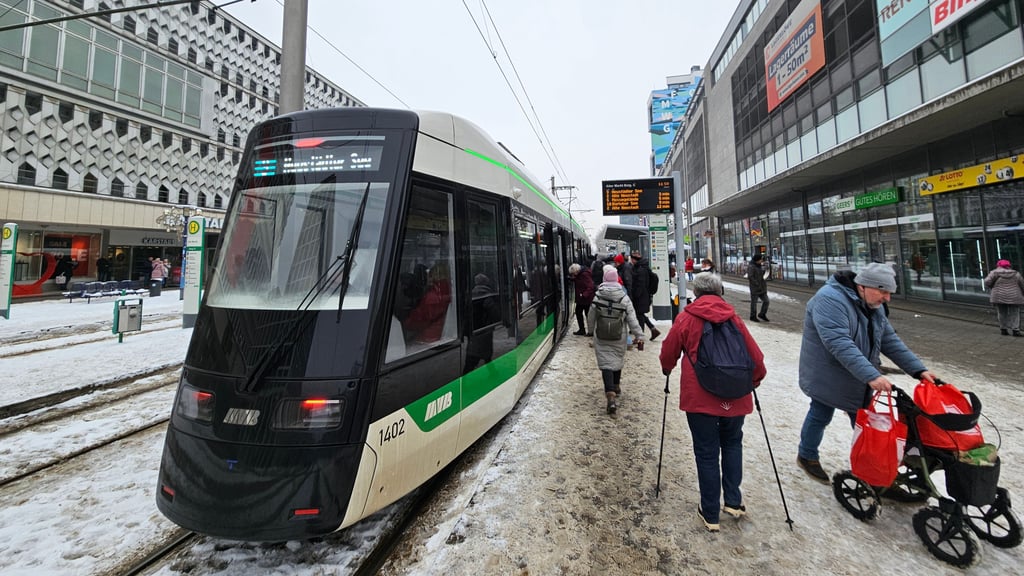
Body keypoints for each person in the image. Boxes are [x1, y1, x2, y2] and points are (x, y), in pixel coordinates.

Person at [796, 262, 938, 484]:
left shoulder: (872, 305)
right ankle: (807, 455)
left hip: (857, 373)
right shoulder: (830, 299)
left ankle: (874, 470)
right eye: (883, 291)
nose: (887, 298)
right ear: (863, 286)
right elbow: (838, 342)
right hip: (827, 372)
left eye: (889, 293)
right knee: (821, 412)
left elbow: (889, 340)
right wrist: (871, 375)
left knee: (866, 421)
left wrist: (918, 369)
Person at [659, 272, 766, 532]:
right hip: (735, 395)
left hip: (701, 399)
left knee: (706, 453)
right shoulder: (734, 318)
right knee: (732, 444)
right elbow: (756, 357)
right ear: (720, 292)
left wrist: (667, 368)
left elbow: (668, 352)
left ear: (696, 293)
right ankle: (733, 501)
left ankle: (710, 513)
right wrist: (754, 379)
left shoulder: (687, 317)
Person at [588, 265, 644, 415]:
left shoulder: (598, 296)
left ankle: (610, 395)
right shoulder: (623, 298)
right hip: (619, 336)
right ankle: (616, 385)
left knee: (606, 363)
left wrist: (589, 330)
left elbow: (591, 316)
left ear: (604, 279)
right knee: (617, 359)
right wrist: (639, 335)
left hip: (601, 336)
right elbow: (632, 319)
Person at [405, 261, 452, 344]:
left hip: (428, 338)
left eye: (430, 275)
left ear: (435, 276)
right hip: (442, 334)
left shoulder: (431, 297)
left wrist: (405, 322)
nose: (428, 279)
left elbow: (417, 320)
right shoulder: (450, 291)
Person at [984, 259, 1024, 337]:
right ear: (1009, 266)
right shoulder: (1016, 274)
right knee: (1015, 313)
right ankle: (1015, 330)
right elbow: (1022, 284)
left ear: (998, 265)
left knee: (1002, 313)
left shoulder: (994, 273)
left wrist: (992, 286)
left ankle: (1003, 329)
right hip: (1014, 296)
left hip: (999, 296)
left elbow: (987, 281)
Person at [628, 250, 661, 341]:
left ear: (635, 260)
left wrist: (635, 295)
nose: (631, 261)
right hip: (643, 295)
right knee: (640, 314)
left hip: (641, 296)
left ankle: (640, 338)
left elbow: (640, 285)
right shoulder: (641, 267)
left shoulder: (641, 270)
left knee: (639, 316)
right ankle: (653, 330)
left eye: (632, 259)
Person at [568, 263, 596, 336]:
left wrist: (584, 295)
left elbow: (590, 286)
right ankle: (582, 330)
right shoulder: (580, 274)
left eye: (574, 274)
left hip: (586, 299)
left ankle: (590, 331)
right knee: (579, 313)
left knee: (587, 315)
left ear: (576, 271)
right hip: (582, 300)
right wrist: (571, 279)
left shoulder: (584, 274)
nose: (574, 275)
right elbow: (578, 280)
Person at [746, 253, 770, 323]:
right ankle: (753, 316)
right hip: (755, 288)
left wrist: (766, 271)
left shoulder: (759, 266)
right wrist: (756, 283)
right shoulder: (751, 266)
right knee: (754, 302)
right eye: (760, 259)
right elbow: (750, 276)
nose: (761, 261)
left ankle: (762, 314)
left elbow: (762, 274)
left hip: (762, 287)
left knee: (766, 301)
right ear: (757, 260)